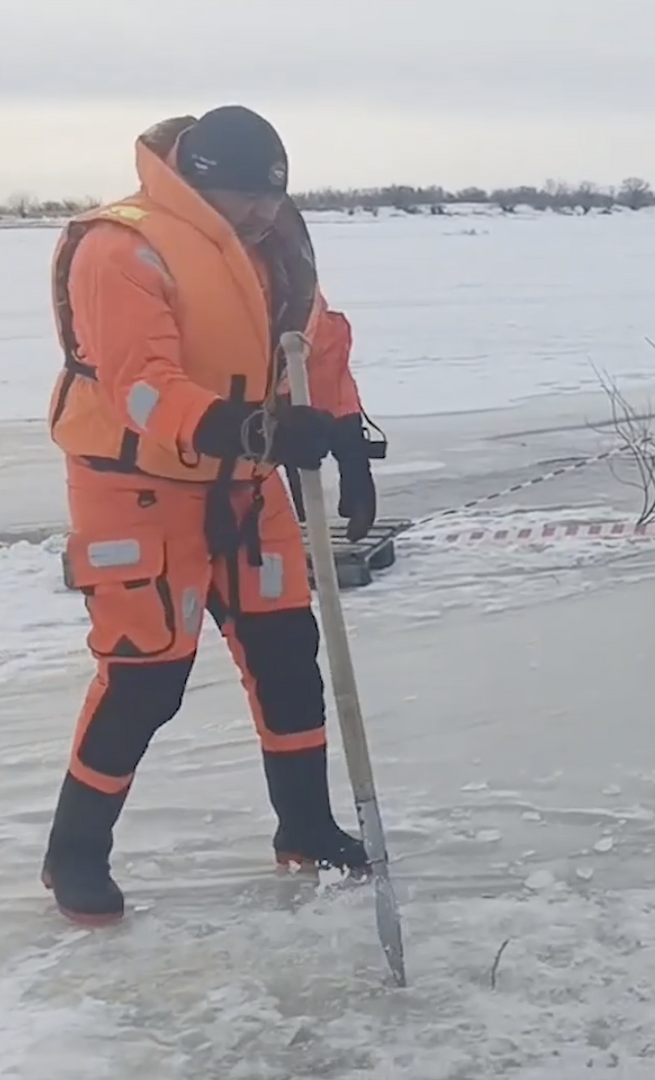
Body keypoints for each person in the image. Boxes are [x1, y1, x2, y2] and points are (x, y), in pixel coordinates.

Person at [42, 107, 383, 925]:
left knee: (287, 654)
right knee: (145, 678)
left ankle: (305, 825)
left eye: (274, 196)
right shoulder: (120, 246)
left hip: (245, 485)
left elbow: (318, 344)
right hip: (138, 488)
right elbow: (142, 384)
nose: (265, 212)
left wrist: (341, 433)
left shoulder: (273, 251)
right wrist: (259, 429)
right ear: (200, 180)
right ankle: (75, 852)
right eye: (246, 195)